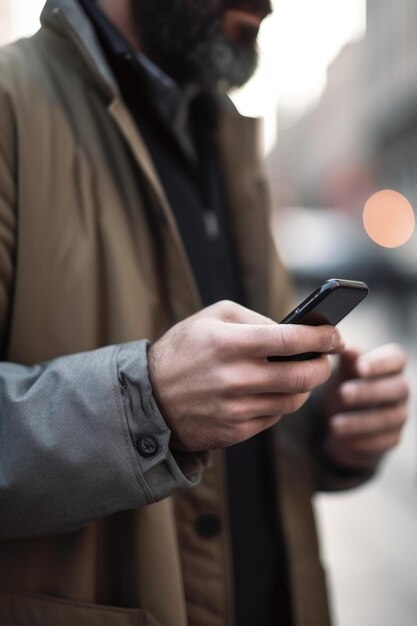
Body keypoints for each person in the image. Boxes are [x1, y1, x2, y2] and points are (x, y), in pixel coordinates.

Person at [0, 1, 409, 625]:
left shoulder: (226, 140)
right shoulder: (9, 108)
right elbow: (174, 399)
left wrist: (330, 425)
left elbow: (229, 413)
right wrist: (149, 403)